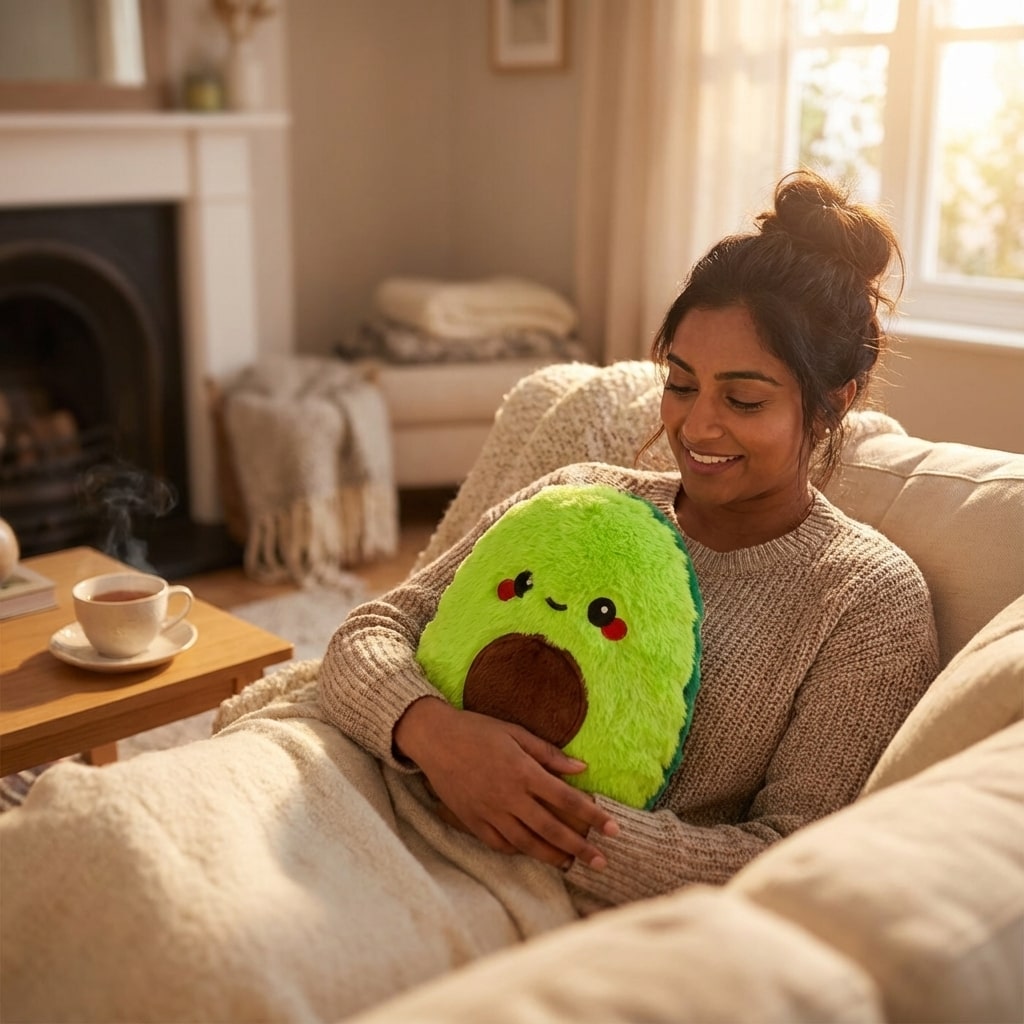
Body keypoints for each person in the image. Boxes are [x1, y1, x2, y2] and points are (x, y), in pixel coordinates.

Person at [317, 169, 939, 915]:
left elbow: (794, 853)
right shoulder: (583, 496)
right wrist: (436, 735)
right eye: (680, 384)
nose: (697, 426)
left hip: (513, 895)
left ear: (835, 402)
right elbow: (374, 628)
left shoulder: (866, 600)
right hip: (359, 789)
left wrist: (541, 817)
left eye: (743, 399)